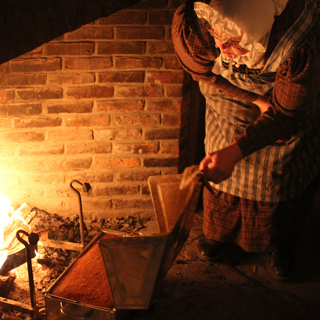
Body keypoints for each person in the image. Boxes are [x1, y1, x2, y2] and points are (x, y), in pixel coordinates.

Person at [172, 0, 320, 281]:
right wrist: (254, 99)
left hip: (285, 95)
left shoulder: (299, 44)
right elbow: (202, 72)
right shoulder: (198, 24)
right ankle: (220, 234)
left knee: (279, 165)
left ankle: (278, 242)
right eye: (218, 35)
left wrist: (237, 151)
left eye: (233, 41)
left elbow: (286, 115)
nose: (223, 49)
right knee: (222, 149)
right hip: (230, 91)